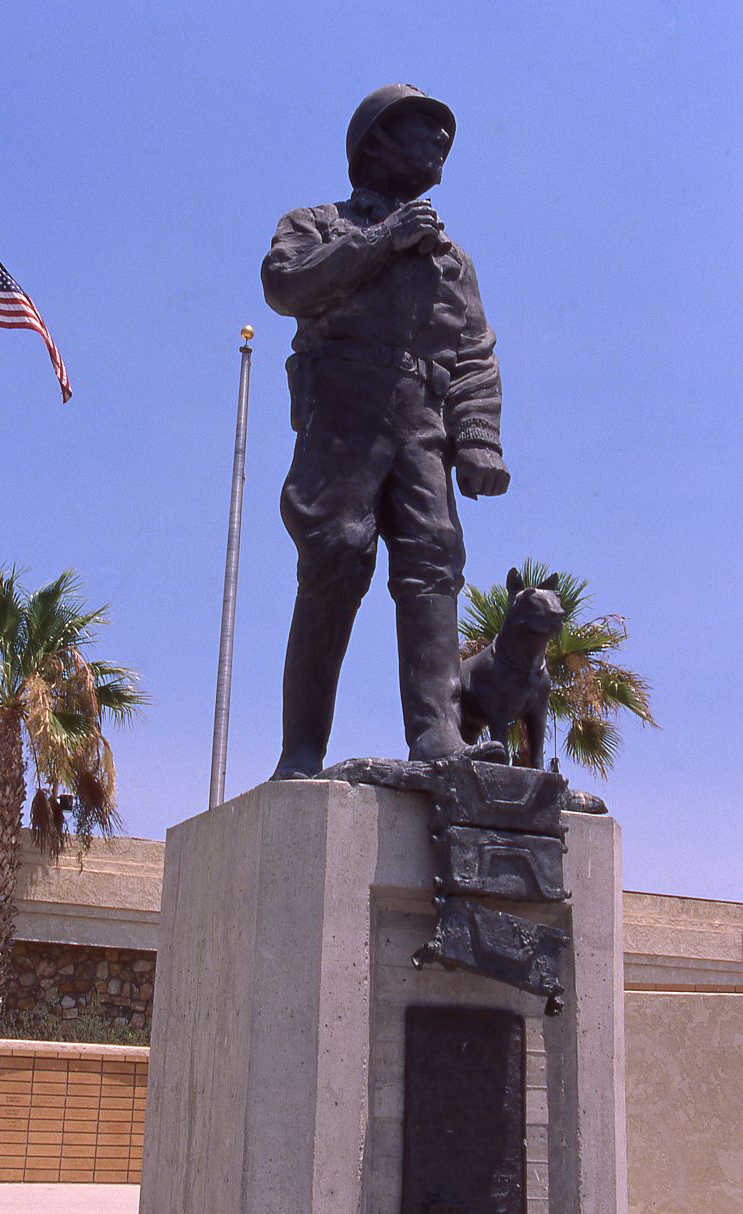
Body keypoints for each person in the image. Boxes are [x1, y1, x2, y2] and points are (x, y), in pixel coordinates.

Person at [262, 84, 510, 779]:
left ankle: (437, 736)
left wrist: (480, 435)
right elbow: (288, 286)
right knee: (336, 555)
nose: (440, 142)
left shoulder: (449, 260)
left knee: (434, 557)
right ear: (375, 141)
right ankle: (301, 750)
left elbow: (474, 352)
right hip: (343, 406)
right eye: (423, 128)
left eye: (446, 134)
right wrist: (380, 242)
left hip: (421, 418)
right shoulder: (316, 223)